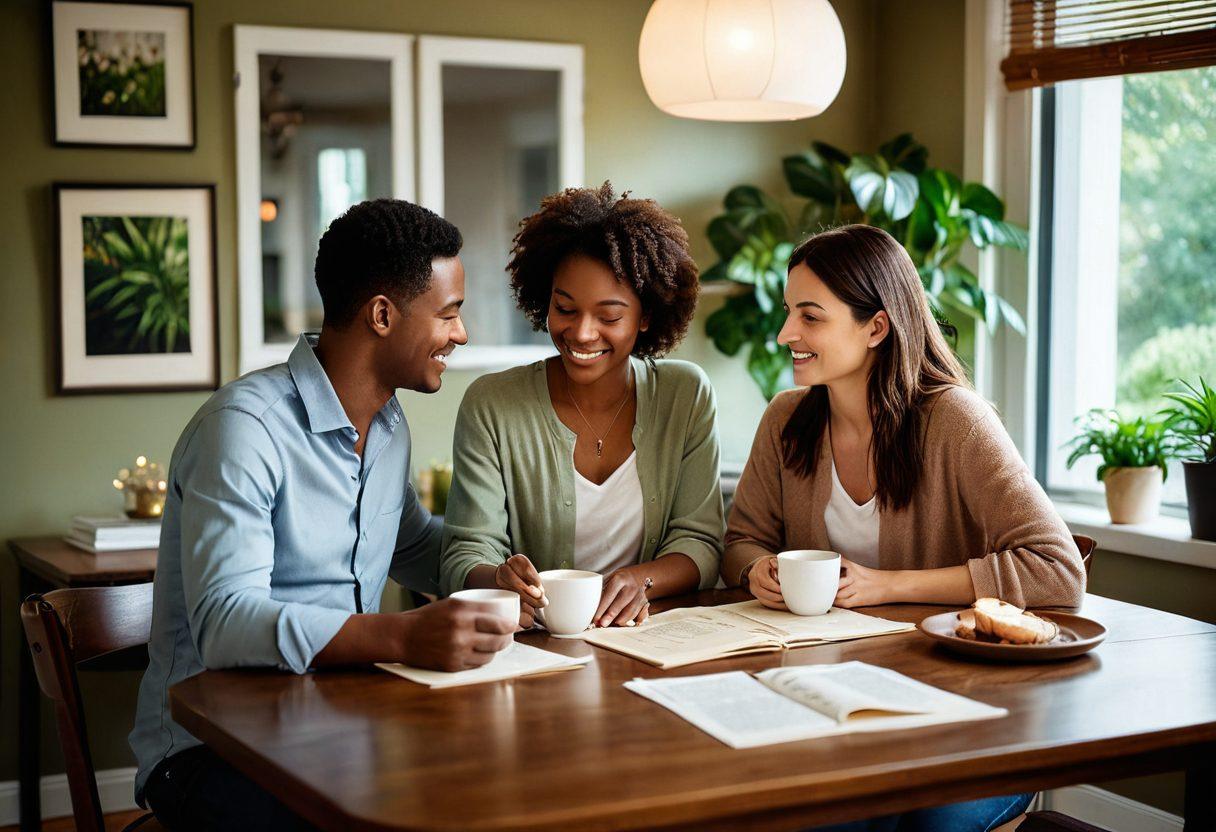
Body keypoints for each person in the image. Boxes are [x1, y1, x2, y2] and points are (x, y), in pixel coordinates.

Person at [129, 199, 514, 831]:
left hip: (333, 723)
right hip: (207, 752)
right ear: (383, 315)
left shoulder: (388, 425)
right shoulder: (244, 428)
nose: (461, 333)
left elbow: (410, 541)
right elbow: (226, 624)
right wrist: (405, 635)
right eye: (449, 313)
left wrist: (488, 575)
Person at [722, 224, 1085, 831]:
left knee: (919, 824)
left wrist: (889, 585)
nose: (787, 334)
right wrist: (758, 569)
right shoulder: (786, 419)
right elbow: (741, 541)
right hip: (837, 704)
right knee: (819, 814)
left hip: (973, 716)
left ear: (876, 327)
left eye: (810, 317)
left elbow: (1058, 569)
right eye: (789, 313)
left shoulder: (956, 421)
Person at [440, 183, 724, 629]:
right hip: (536, 651)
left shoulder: (684, 395)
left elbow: (702, 542)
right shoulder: (492, 404)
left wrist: (641, 580)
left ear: (646, 316)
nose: (582, 333)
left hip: (648, 641)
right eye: (565, 308)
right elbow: (463, 554)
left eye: (609, 317)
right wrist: (498, 578)